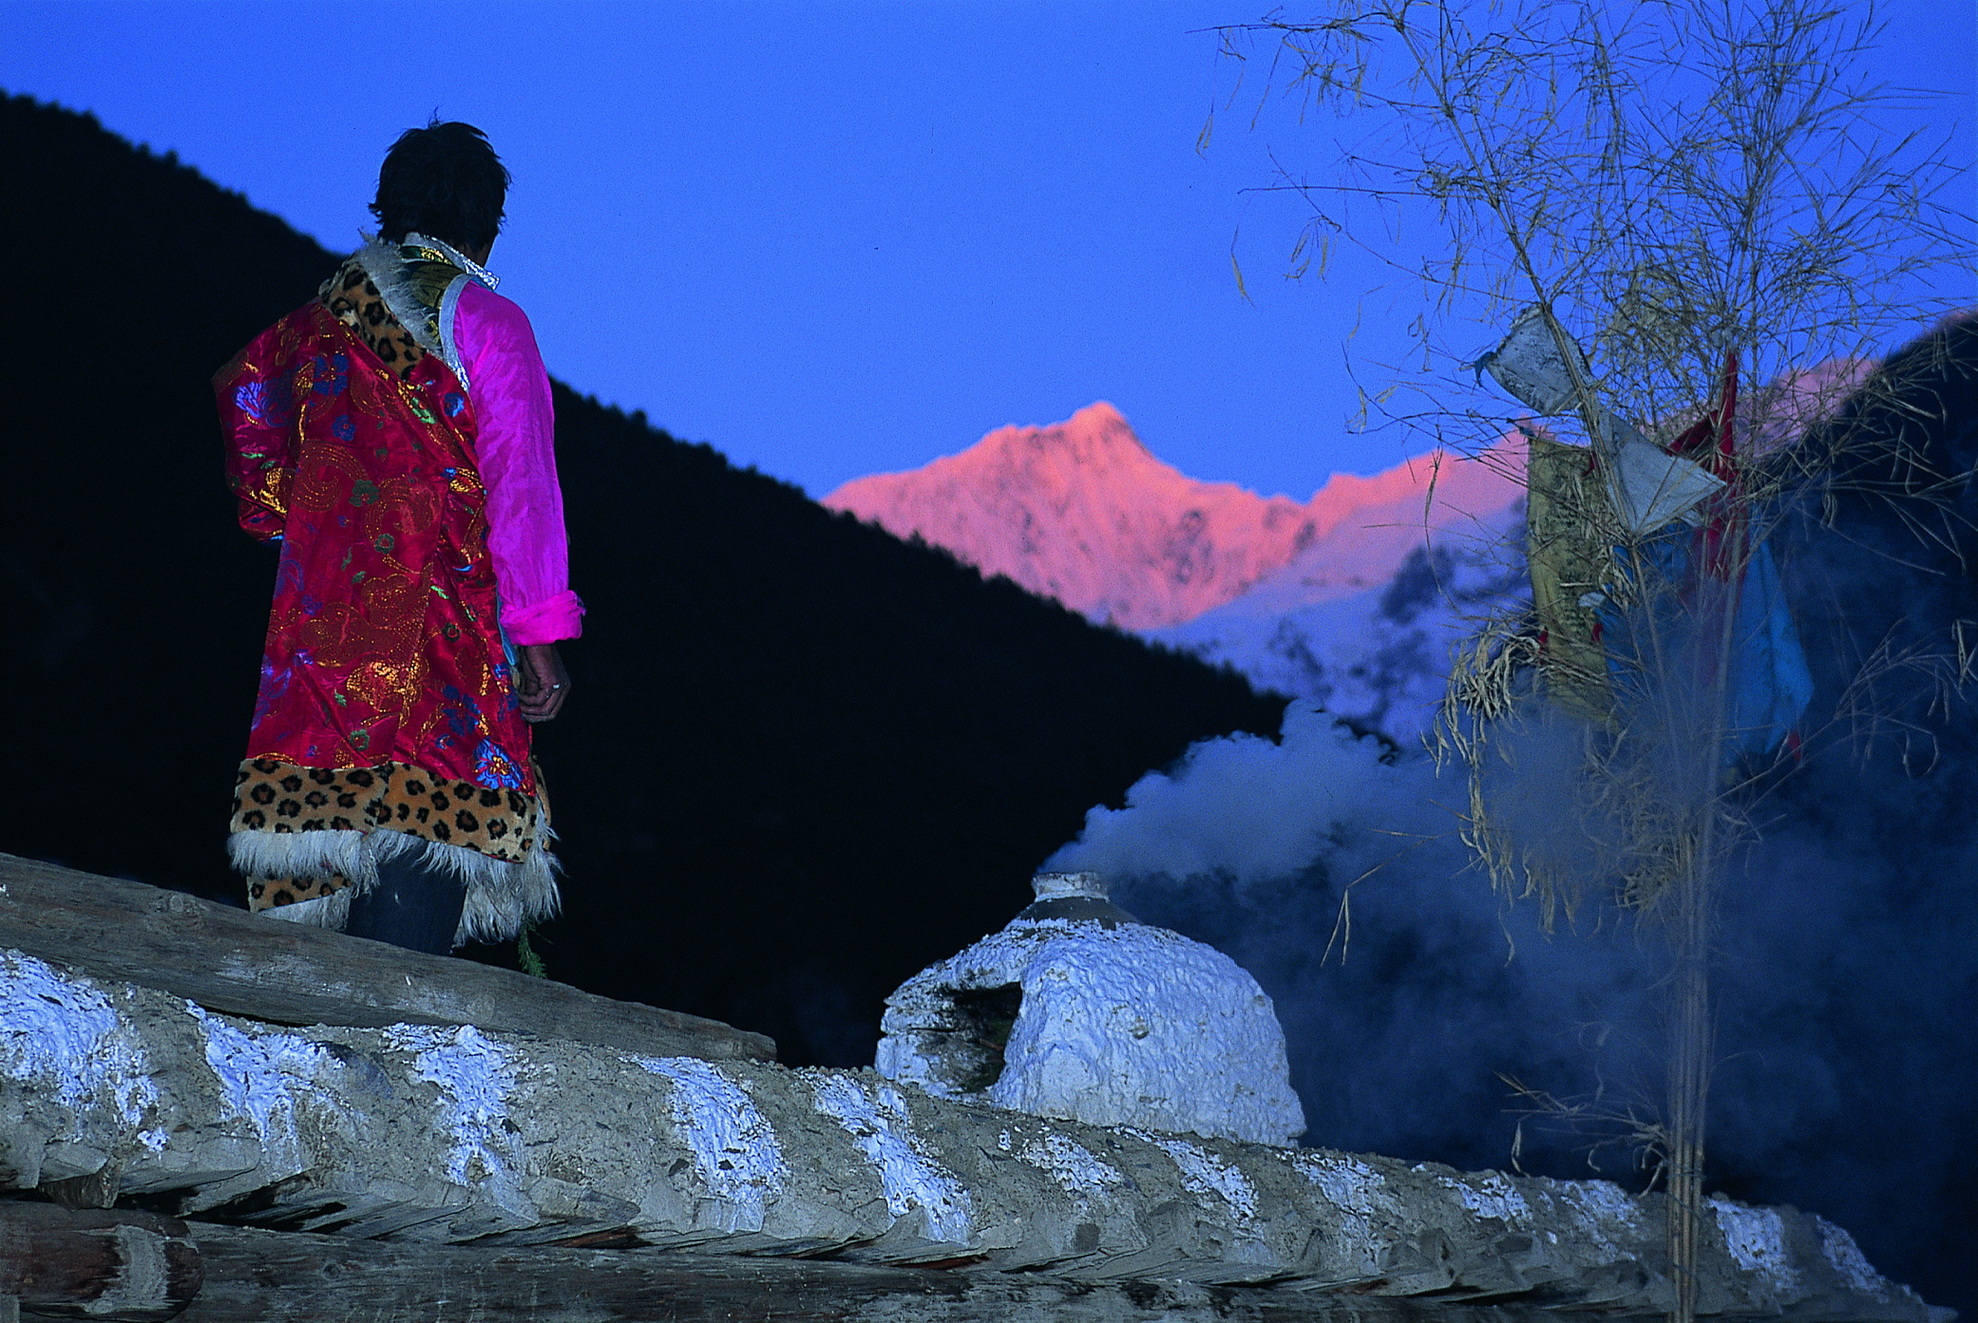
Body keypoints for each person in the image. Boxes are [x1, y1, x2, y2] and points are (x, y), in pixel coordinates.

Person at [214, 121, 581, 954]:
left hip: (325, 637)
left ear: (389, 210)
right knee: (426, 824)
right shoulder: (488, 322)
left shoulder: (312, 328)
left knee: (320, 848)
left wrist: (304, 529)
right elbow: (520, 483)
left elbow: (246, 409)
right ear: (489, 224)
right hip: (443, 628)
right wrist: (539, 631)